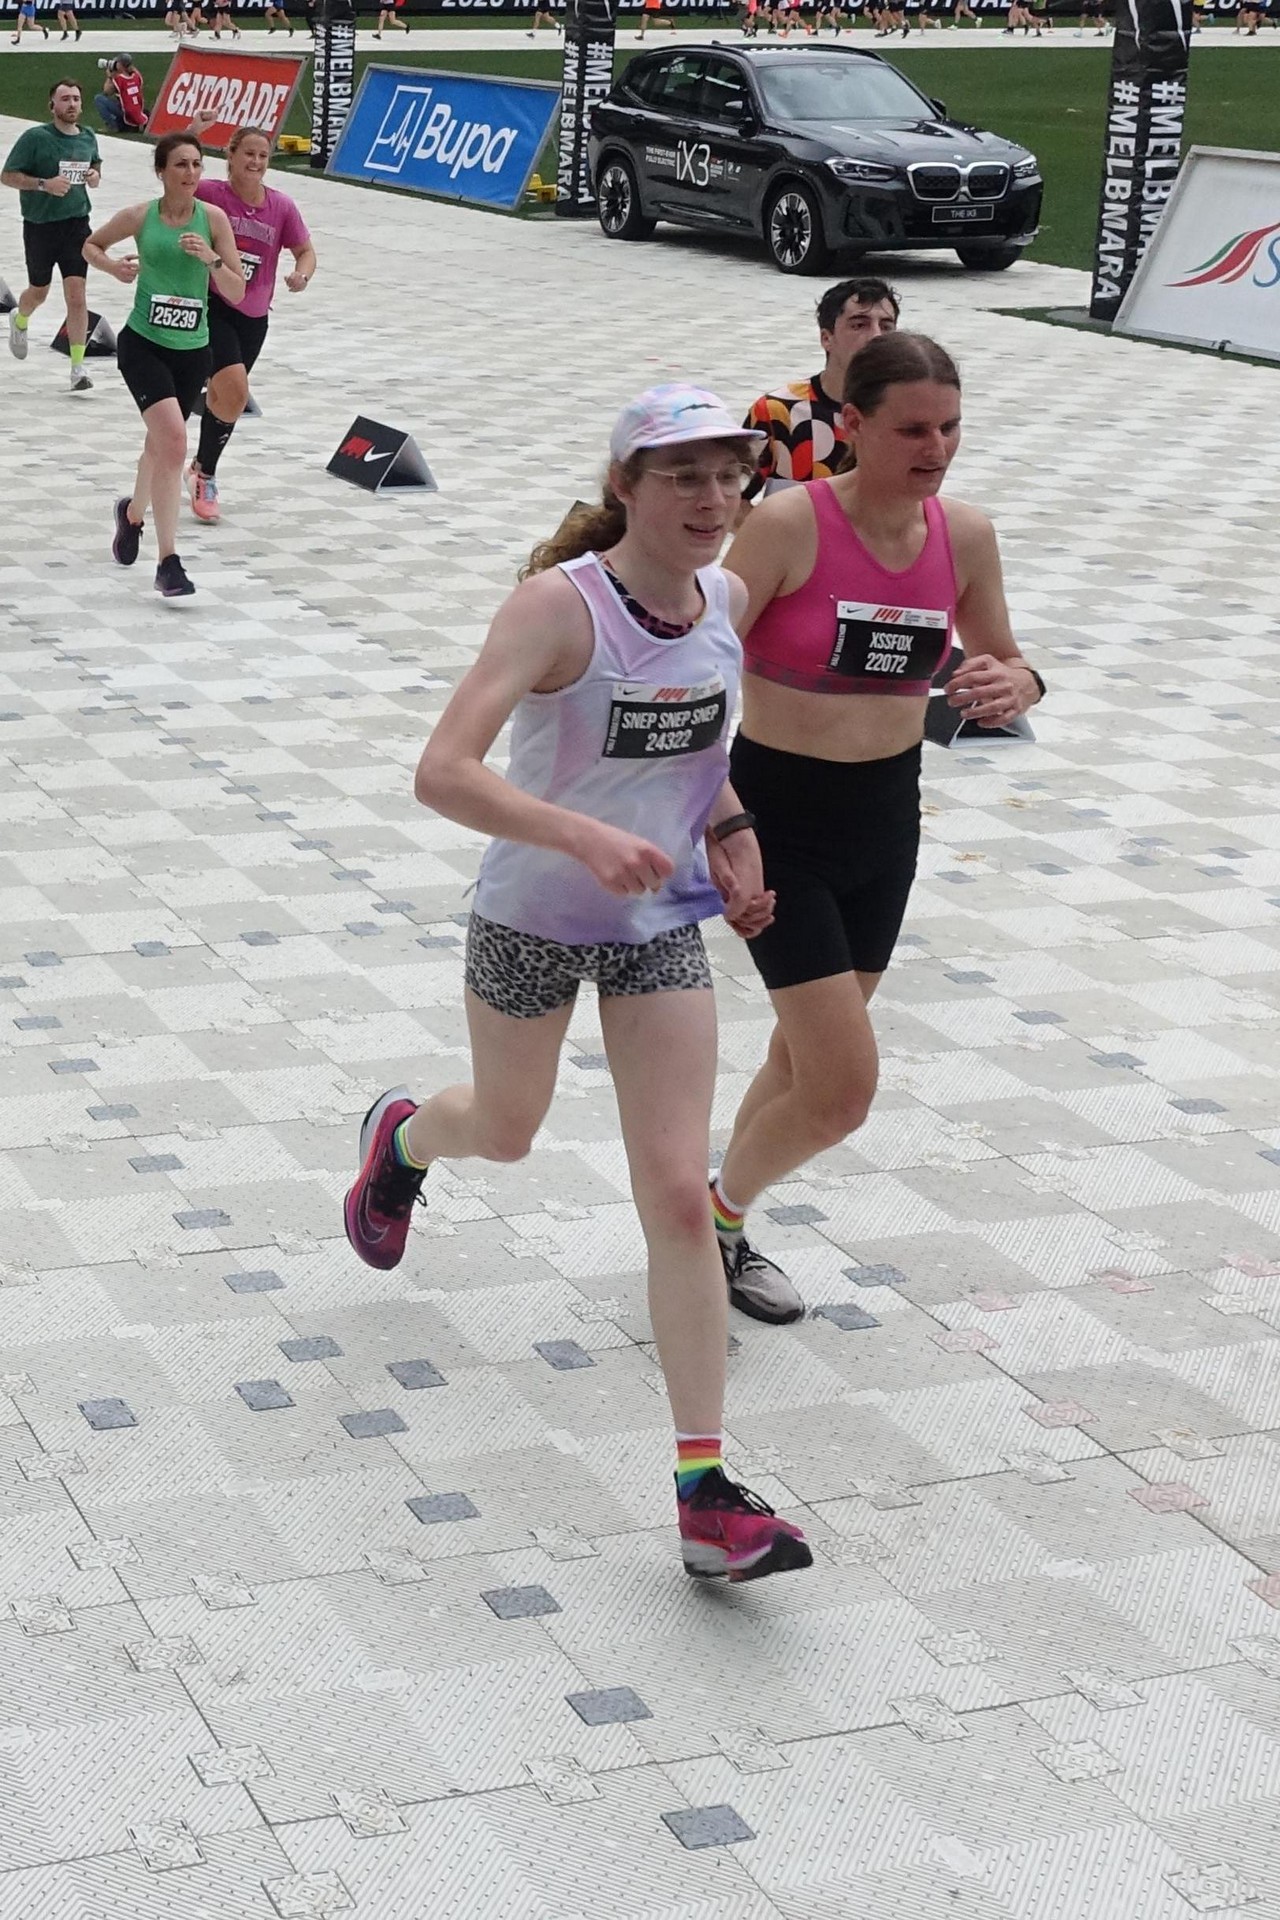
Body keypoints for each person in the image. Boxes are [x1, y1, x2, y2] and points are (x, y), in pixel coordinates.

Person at [342, 385, 813, 1586]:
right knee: (504, 1131)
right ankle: (403, 1140)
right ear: (625, 488)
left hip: (657, 923)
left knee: (672, 1192)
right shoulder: (556, 609)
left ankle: (704, 1492)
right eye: (682, 478)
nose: (712, 501)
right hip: (532, 917)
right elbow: (440, 774)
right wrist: (574, 835)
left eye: (729, 475)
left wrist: (731, 829)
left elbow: (700, 755)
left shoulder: (728, 599)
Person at [708, 334, 1045, 1321]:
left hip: (883, 823)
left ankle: (716, 1229)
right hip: (778, 821)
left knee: (798, 1059)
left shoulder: (965, 536)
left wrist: (1011, 683)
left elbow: (1009, 662)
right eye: (910, 428)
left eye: (948, 426)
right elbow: (692, 664)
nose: (934, 446)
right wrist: (699, 814)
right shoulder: (785, 526)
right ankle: (713, 1216)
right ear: (850, 426)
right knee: (841, 1090)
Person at [83, 132, 245, 599]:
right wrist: (115, 268)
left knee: (159, 446)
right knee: (174, 443)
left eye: (197, 165)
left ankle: (132, 514)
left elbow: (236, 290)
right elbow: (91, 245)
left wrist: (211, 259)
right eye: (180, 165)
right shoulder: (141, 216)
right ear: (161, 171)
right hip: (144, 344)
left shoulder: (213, 220)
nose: (191, 173)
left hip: (194, 348)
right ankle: (169, 562)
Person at [185, 121, 315, 523]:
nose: (256, 162)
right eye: (249, 154)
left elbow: (306, 251)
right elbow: (176, 186)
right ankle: (205, 477)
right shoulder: (209, 194)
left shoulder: (281, 207)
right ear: (231, 155)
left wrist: (301, 275)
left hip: (254, 316)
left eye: (263, 155)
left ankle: (201, 469)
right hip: (212, 304)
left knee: (228, 399)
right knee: (235, 390)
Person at [741, 276, 899, 508]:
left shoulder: (902, 412)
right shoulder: (778, 411)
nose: (876, 336)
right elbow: (733, 498)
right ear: (827, 338)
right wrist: (769, 540)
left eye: (886, 327)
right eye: (859, 324)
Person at [3, 81, 102, 392]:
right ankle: (20, 318)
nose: (71, 104)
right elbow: (8, 175)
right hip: (41, 226)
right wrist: (44, 185)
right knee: (39, 291)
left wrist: (94, 175)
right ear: (52, 106)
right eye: (65, 99)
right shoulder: (36, 138)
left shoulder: (88, 136)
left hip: (76, 225)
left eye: (76, 98)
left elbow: (94, 163)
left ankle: (78, 368)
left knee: (77, 295)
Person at [96, 55, 148, 135]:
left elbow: (106, 91)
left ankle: (112, 126)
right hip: (137, 109)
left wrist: (110, 76)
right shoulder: (136, 77)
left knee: (99, 99)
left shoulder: (120, 80)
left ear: (120, 65)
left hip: (126, 111)